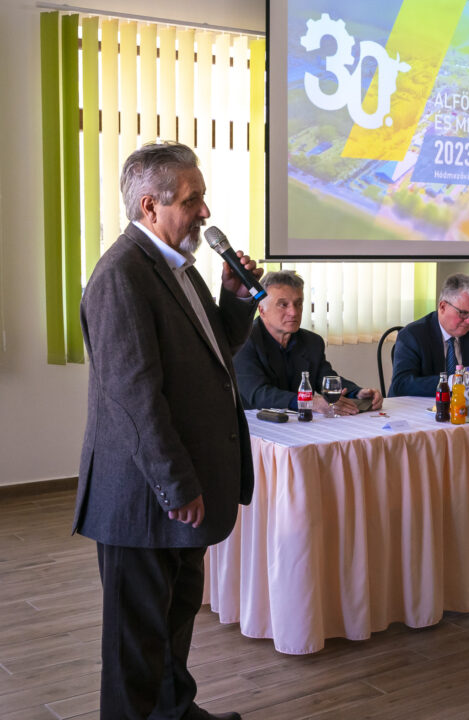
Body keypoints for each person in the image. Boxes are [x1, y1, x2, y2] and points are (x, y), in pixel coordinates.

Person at [74, 143, 258, 720]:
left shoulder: (177, 266)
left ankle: (175, 712)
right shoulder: (121, 276)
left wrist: (235, 302)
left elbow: (210, 356)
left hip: (180, 485)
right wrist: (176, 485)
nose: (205, 211)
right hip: (145, 496)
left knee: (173, 622)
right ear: (150, 206)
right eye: (192, 199)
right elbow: (134, 400)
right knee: (135, 646)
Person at [234, 270, 382, 414]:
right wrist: (309, 402)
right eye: (283, 305)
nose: (294, 312)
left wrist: (357, 392)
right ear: (262, 310)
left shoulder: (312, 341)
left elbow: (325, 379)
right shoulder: (242, 340)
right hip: (255, 423)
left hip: (300, 422)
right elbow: (259, 394)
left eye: (298, 304)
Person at [389, 273, 469, 396]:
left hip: (463, 406)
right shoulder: (413, 335)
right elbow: (401, 384)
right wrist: (453, 381)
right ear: (442, 307)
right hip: (417, 407)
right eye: (463, 313)